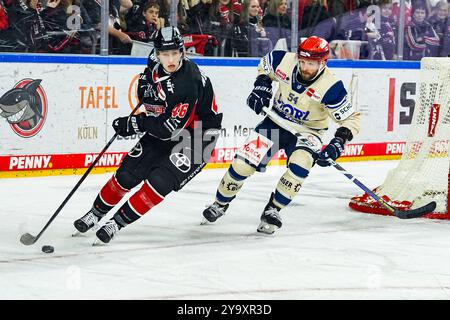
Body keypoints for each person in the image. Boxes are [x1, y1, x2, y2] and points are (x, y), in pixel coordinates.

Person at [73, 26, 223, 244]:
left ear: (182, 51)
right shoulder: (153, 63)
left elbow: (169, 129)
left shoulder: (188, 81)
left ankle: (117, 222)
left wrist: (134, 123)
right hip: (168, 124)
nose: (170, 59)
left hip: (200, 134)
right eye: (165, 54)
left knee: (160, 181)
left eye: (175, 53)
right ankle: (95, 213)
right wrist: (145, 91)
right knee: (127, 174)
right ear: (157, 53)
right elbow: (147, 90)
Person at [202, 36, 361, 234]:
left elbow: (351, 119)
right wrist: (262, 86)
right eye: (302, 61)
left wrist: (338, 142)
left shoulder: (331, 87)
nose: (304, 67)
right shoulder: (285, 60)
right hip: (275, 121)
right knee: (242, 164)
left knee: (299, 167)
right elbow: (266, 64)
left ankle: (273, 209)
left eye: (311, 63)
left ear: (323, 62)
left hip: (308, 132)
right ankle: (220, 204)